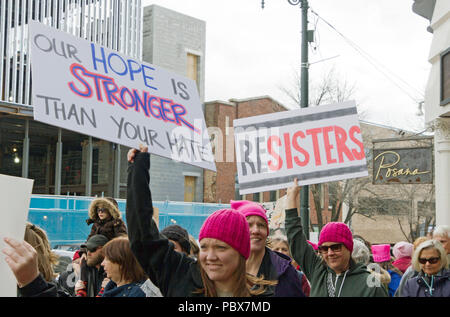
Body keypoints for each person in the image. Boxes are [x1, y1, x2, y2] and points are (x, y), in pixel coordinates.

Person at [126, 145, 276, 297]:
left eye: (221, 248)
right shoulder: (180, 275)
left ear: (241, 252)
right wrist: (137, 169)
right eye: (204, 247)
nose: (210, 256)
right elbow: (142, 236)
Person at [284, 178, 388, 297]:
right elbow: (295, 236)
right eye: (324, 249)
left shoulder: (370, 283)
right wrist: (291, 197)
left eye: (336, 247)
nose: (330, 253)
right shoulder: (317, 270)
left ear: (349, 248)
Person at [231, 200, 306, 297]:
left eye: (261, 225)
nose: (256, 230)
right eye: (248, 225)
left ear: (267, 232)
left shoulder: (286, 272)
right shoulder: (222, 267)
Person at [76, 237, 162, 297]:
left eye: (107, 258)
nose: (103, 263)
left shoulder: (141, 293)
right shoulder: (111, 288)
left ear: (121, 262)